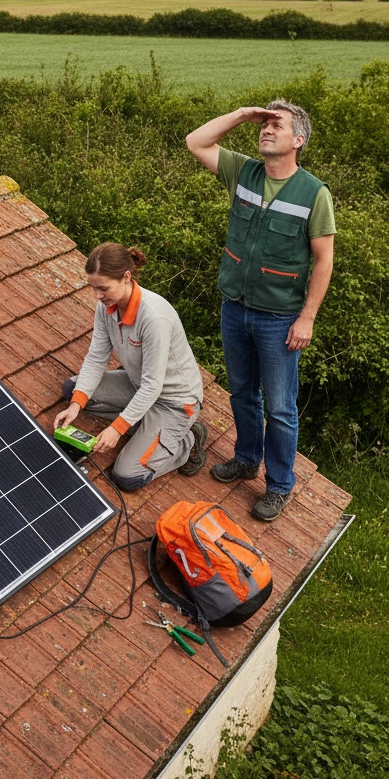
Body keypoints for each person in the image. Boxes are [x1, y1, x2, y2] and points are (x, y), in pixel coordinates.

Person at [185, 100, 335, 521]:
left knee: (281, 408)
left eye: (277, 124)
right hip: (235, 307)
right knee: (242, 394)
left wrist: (307, 318)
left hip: (279, 319)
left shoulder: (314, 193)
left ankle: (279, 485)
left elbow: (324, 260)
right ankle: (247, 459)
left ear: (298, 140)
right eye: (264, 124)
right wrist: (241, 115)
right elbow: (195, 142)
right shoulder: (244, 171)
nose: (266, 129)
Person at [53, 242, 206, 491]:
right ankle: (146, 427)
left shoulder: (154, 318)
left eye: (103, 288)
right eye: (92, 287)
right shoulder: (106, 308)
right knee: (75, 391)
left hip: (174, 402)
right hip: (139, 385)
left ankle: (185, 443)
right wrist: (74, 407)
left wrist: (117, 428)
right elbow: (96, 358)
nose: (97, 295)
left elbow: (153, 386)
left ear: (126, 277)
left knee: (127, 476)